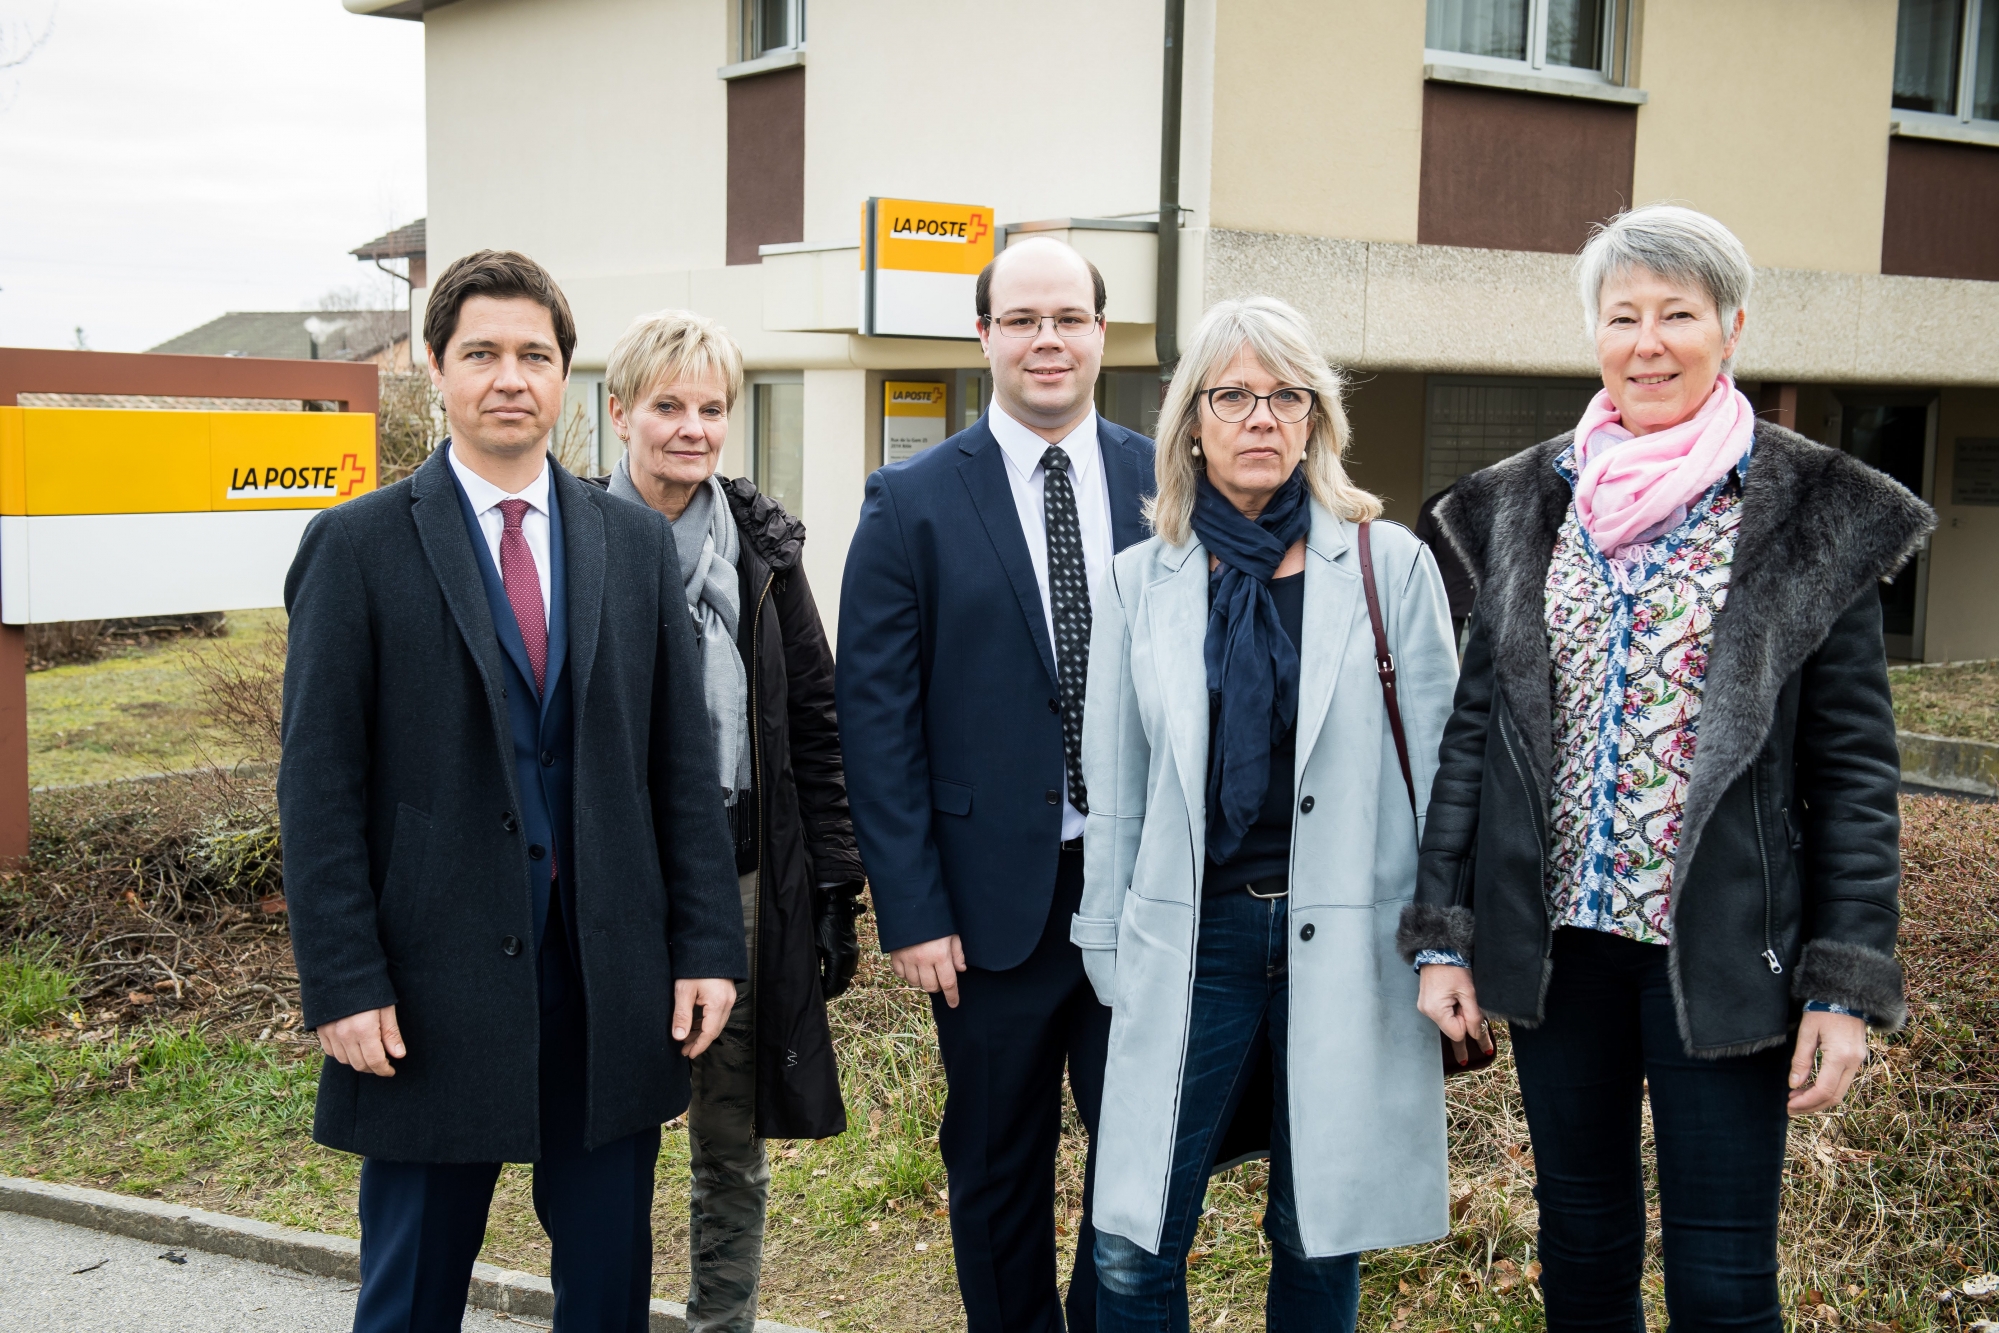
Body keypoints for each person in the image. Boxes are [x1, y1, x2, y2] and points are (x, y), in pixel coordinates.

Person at [1401, 204, 1934, 1329]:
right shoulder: (1525, 506)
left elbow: (1851, 772)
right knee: (1580, 1236)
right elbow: (1472, 739)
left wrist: (1844, 980)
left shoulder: (1805, 514)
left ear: (1729, 328)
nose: (1648, 341)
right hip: (1560, 948)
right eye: (1622, 315)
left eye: (1677, 314)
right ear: (1594, 333)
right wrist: (1443, 931)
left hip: (1722, 948)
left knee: (1723, 1269)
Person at [281, 250, 747, 1333]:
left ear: (565, 377)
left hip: (606, 983)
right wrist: (343, 977)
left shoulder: (627, 541)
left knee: (607, 1298)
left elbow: (679, 768)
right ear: (435, 369)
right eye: (481, 352)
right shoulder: (355, 547)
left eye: (534, 354)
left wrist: (707, 946)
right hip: (424, 992)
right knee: (409, 1298)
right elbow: (318, 785)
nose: (509, 376)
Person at [1072, 296, 1458, 1332]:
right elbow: (1114, 787)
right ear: (1190, 421)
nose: (1259, 417)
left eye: (1284, 394)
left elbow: (1440, 783)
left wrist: (1442, 943)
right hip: (1190, 938)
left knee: (1317, 1230)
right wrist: (1107, 945)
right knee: (1130, 1241)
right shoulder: (1136, 583)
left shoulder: (1390, 566)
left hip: (1347, 940)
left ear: (1315, 418)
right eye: (1233, 394)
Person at [836, 236, 1156, 1332]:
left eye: (1067, 318)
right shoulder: (909, 500)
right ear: (983, 338)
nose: (1046, 340)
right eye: (1021, 320)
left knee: (1141, 1175)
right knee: (995, 1166)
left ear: (1102, 334)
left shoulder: (1168, 480)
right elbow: (874, 727)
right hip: (983, 914)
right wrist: (912, 910)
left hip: (1140, 899)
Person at [591, 308, 865, 1333]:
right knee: (606, 1138)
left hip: (744, 876)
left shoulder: (764, 549)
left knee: (730, 1141)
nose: (692, 428)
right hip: (613, 888)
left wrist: (837, 887)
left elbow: (815, 726)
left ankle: (721, 1324)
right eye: (668, 405)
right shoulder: (576, 539)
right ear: (619, 413)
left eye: (712, 408)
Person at [1414, 481, 1475, 643]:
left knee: (1482, 653)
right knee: (1446, 650)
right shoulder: (1433, 508)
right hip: (1448, 591)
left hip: (1472, 592)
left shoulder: (1489, 506)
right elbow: (1421, 554)